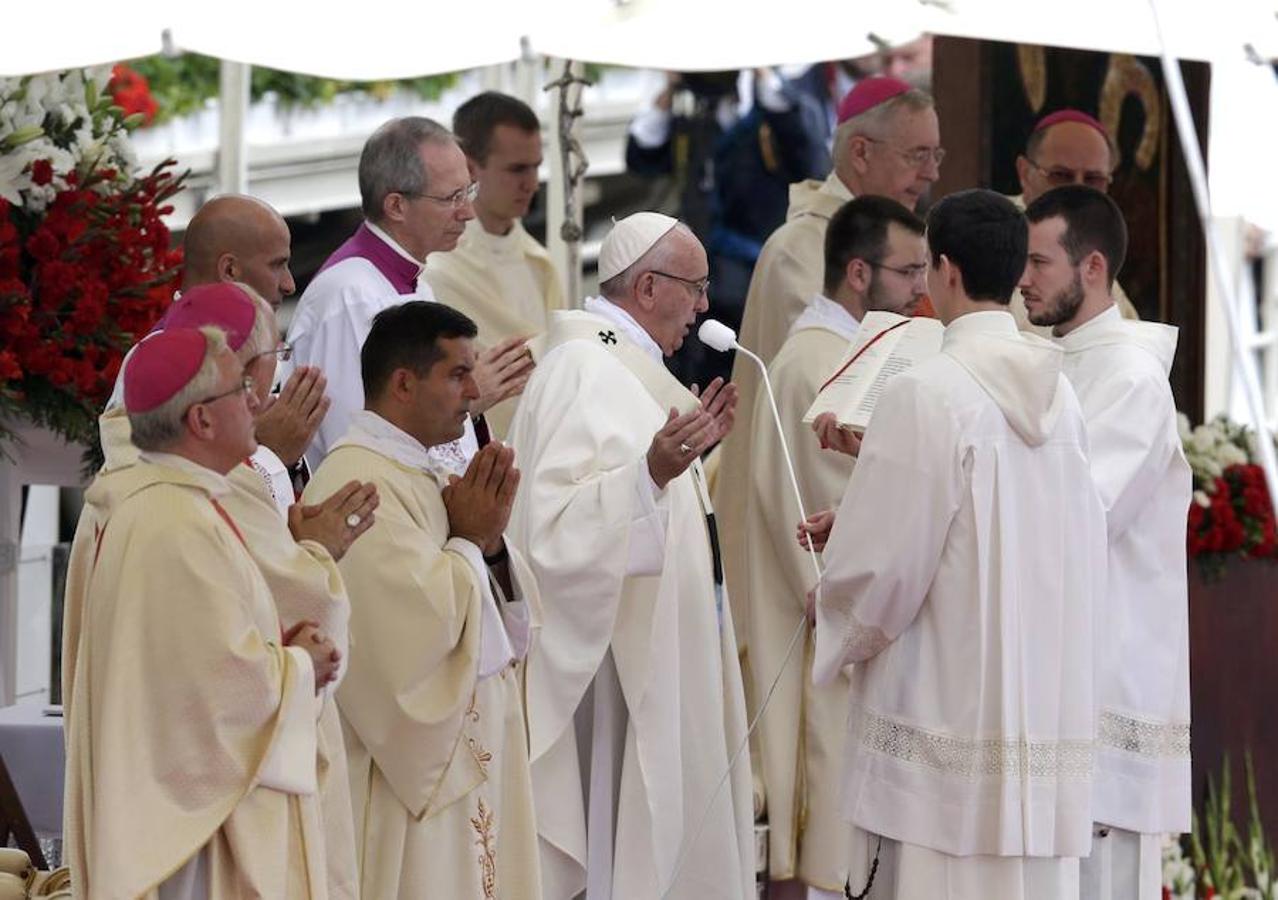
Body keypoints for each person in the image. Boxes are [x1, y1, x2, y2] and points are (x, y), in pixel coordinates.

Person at [804, 190, 1107, 899]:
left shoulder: (928, 390)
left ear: (943, 269)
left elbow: (886, 569)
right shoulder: (1060, 396)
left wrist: (834, 602)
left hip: (941, 711)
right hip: (1037, 716)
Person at [69, 283, 376, 899]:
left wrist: (284, 642)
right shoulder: (176, 524)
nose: (260, 401)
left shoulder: (170, 502)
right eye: (241, 389)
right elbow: (212, 693)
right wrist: (301, 663)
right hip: (199, 836)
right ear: (201, 419)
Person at [505, 212, 753, 899]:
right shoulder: (582, 370)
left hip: (664, 645)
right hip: (617, 674)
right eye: (694, 288)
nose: (704, 306)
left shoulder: (624, 369)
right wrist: (647, 478)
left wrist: (688, 459)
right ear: (647, 287)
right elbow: (549, 533)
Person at [712, 75, 940, 720]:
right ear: (861, 152)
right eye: (916, 154)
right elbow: (831, 396)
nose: (929, 172)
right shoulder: (800, 250)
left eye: (936, 156)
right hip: (807, 519)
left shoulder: (900, 242)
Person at [304, 301, 541, 899]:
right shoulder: (359, 482)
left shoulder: (421, 471)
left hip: (468, 763)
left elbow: (503, 629)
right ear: (405, 383)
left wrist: (488, 549)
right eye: (458, 374)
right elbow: (406, 648)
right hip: (411, 786)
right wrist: (468, 539)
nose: (473, 390)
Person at [744, 196, 927, 900]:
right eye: (908, 270)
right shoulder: (820, 365)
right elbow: (832, 509)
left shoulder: (851, 353)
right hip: (830, 631)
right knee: (830, 850)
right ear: (858, 271)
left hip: (850, 631)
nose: (920, 287)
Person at [1022, 185, 1191, 900]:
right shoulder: (1051, 361)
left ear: (1093, 269)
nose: (1022, 279)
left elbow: (1081, 518)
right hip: (1055, 674)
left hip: (1106, 679)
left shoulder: (1130, 377)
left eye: (1039, 263)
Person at [289, 116, 532, 471]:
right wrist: (466, 395)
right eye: (453, 198)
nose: (467, 212)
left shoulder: (416, 282)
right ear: (397, 206)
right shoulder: (350, 298)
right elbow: (359, 441)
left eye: (469, 191)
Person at [625, 68, 830, 388]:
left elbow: (812, 159)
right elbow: (641, 156)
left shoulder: (777, 108)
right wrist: (669, 90)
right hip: (691, 277)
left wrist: (761, 70)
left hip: (753, 274)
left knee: (749, 376)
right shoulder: (692, 112)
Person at [424, 92, 565, 438]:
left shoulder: (540, 264)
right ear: (470, 167)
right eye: (517, 169)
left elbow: (562, 361)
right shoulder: (435, 268)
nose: (531, 183)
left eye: (535, 166)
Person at [1009, 109, 1140, 335]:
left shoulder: (1095, 255)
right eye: (1061, 175)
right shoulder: (985, 232)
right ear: (1025, 173)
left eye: (1093, 179)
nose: (1077, 189)